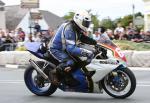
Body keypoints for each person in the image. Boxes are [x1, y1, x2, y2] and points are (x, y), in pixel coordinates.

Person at [49, 10, 97, 85]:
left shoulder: (76, 27)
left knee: (80, 59)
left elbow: (82, 38)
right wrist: (87, 52)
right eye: (85, 22)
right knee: (70, 62)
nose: (87, 24)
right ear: (79, 20)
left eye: (87, 23)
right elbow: (70, 49)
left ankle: (77, 75)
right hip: (56, 49)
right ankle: (54, 72)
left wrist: (96, 43)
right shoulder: (69, 28)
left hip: (64, 48)